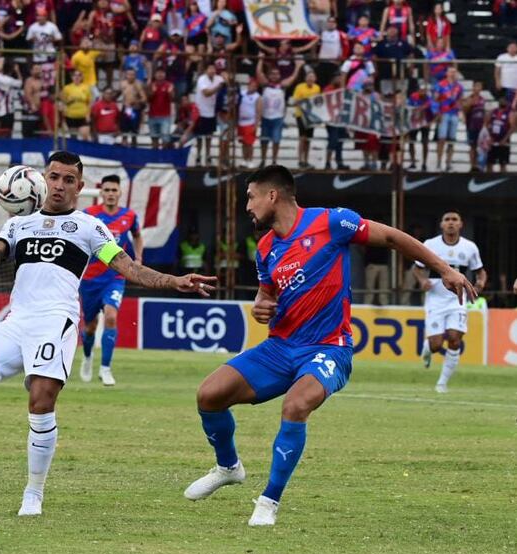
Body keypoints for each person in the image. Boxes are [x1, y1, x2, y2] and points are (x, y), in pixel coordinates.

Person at [0, 152, 216, 517]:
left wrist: (173, 280)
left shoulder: (90, 227)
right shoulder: (20, 222)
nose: (60, 185)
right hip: (17, 321)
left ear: (80, 187)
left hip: (56, 321)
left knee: (40, 400)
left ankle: (33, 494)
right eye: (54, 177)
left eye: (69, 180)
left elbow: (126, 266)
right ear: (43, 179)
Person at [183, 165, 475, 526]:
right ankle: (228, 467)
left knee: (296, 405)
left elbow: (393, 238)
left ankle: (269, 501)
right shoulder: (265, 247)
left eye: (250, 197)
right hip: (280, 347)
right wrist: (260, 306)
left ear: (272, 195)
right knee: (208, 395)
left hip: (329, 347)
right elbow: (266, 295)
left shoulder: (332, 222)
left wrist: (444, 268)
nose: (247, 206)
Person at [78, 175, 143, 386]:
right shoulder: (89, 215)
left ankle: (105, 369)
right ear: (101, 193)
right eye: (107, 190)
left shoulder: (129, 216)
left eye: (114, 190)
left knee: (111, 316)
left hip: (115, 276)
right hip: (90, 279)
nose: (111, 194)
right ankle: (88, 357)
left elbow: (137, 236)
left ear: (120, 193)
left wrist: (138, 258)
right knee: (90, 327)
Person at [413, 210, 486, 393]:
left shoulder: (470, 247)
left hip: (457, 300)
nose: (451, 223)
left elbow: (480, 271)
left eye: (455, 220)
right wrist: (422, 281)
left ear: (461, 224)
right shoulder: (430, 244)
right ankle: (428, 350)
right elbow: (417, 268)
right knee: (437, 345)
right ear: (441, 224)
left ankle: (442, 383)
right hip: (436, 299)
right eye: (447, 220)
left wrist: (480, 284)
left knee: (454, 338)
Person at [432, 66, 463, 172]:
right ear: (447, 73)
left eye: (454, 72)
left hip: (454, 113)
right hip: (443, 113)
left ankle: (448, 163)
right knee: (441, 139)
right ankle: (439, 162)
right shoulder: (440, 84)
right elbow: (435, 99)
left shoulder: (459, 86)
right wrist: (437, 113)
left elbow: (460, 100)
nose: (453, 74)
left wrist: (460, 111)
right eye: (451, 72)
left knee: (452, 140)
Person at [290, 71, 320, 170]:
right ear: (305, 78)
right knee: (302, 138)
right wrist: (306, 103)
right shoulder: (299, 87)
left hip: (311, 118)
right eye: (309, 77)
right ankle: (300, 160)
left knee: (308, 139)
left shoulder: (317, 88)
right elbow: (295, 100)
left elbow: (318, 102)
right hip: (301, 115)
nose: (310, 79)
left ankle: (306, 160)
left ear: (315, 79)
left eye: (312, 77)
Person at [485, 97, 513, 173]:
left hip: (503, 142)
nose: (502, 101)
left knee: (503, 164)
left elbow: (512, 128)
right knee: (489, 163)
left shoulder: (509, 113)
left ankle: (503, 181)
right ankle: (488, 180)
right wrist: (490, 137)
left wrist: (505, 139)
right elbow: (486, 124)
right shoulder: (493, 111)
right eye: (501, 99)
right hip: (493, 141)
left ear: (507, 103)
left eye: (504, 100)